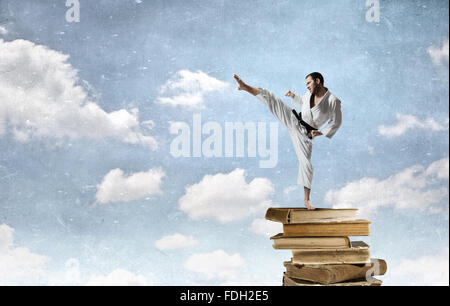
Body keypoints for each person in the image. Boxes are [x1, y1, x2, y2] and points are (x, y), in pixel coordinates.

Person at [233, 73, 342, 210]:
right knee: (272, 99)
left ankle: (306, 200)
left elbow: (336, 122)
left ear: (317, 81)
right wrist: (293, 96)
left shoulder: (333, 101)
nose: (307, 86)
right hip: (295, 119)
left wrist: (319, 132)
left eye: (308, 83)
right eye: (306, 84)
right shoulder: (309, 94)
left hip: (305, 135)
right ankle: (245, 86)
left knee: (306, 164)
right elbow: (303, 102)